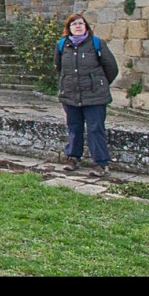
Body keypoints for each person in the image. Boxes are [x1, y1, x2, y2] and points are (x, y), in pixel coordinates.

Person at [55, 13, 119, 177]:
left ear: (86, 27)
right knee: (74, 128)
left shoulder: (97, 44)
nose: (77, 26)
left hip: (94, 96)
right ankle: (73, 158)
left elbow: (111, 68)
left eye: (81, 24)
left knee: (95, 129)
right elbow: (59, 68)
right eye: (74, 24)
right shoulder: (62, 45)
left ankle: (100, 163)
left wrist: (98, 84)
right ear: (69, 28)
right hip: (70, 95)